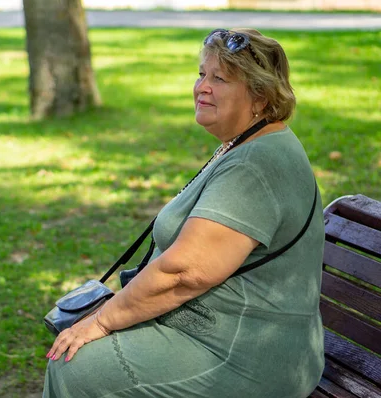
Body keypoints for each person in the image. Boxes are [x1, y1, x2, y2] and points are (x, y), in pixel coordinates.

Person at [43, 28, 325, 398]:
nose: (202, 87)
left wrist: (103, 320)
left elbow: (185, 274)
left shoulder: (256, 166)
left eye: (219, 78)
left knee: (76, 369)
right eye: (201, 74)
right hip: (214, 331)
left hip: (246, 356)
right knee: (74, 352)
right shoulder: (242, 145)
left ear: (260, 96)